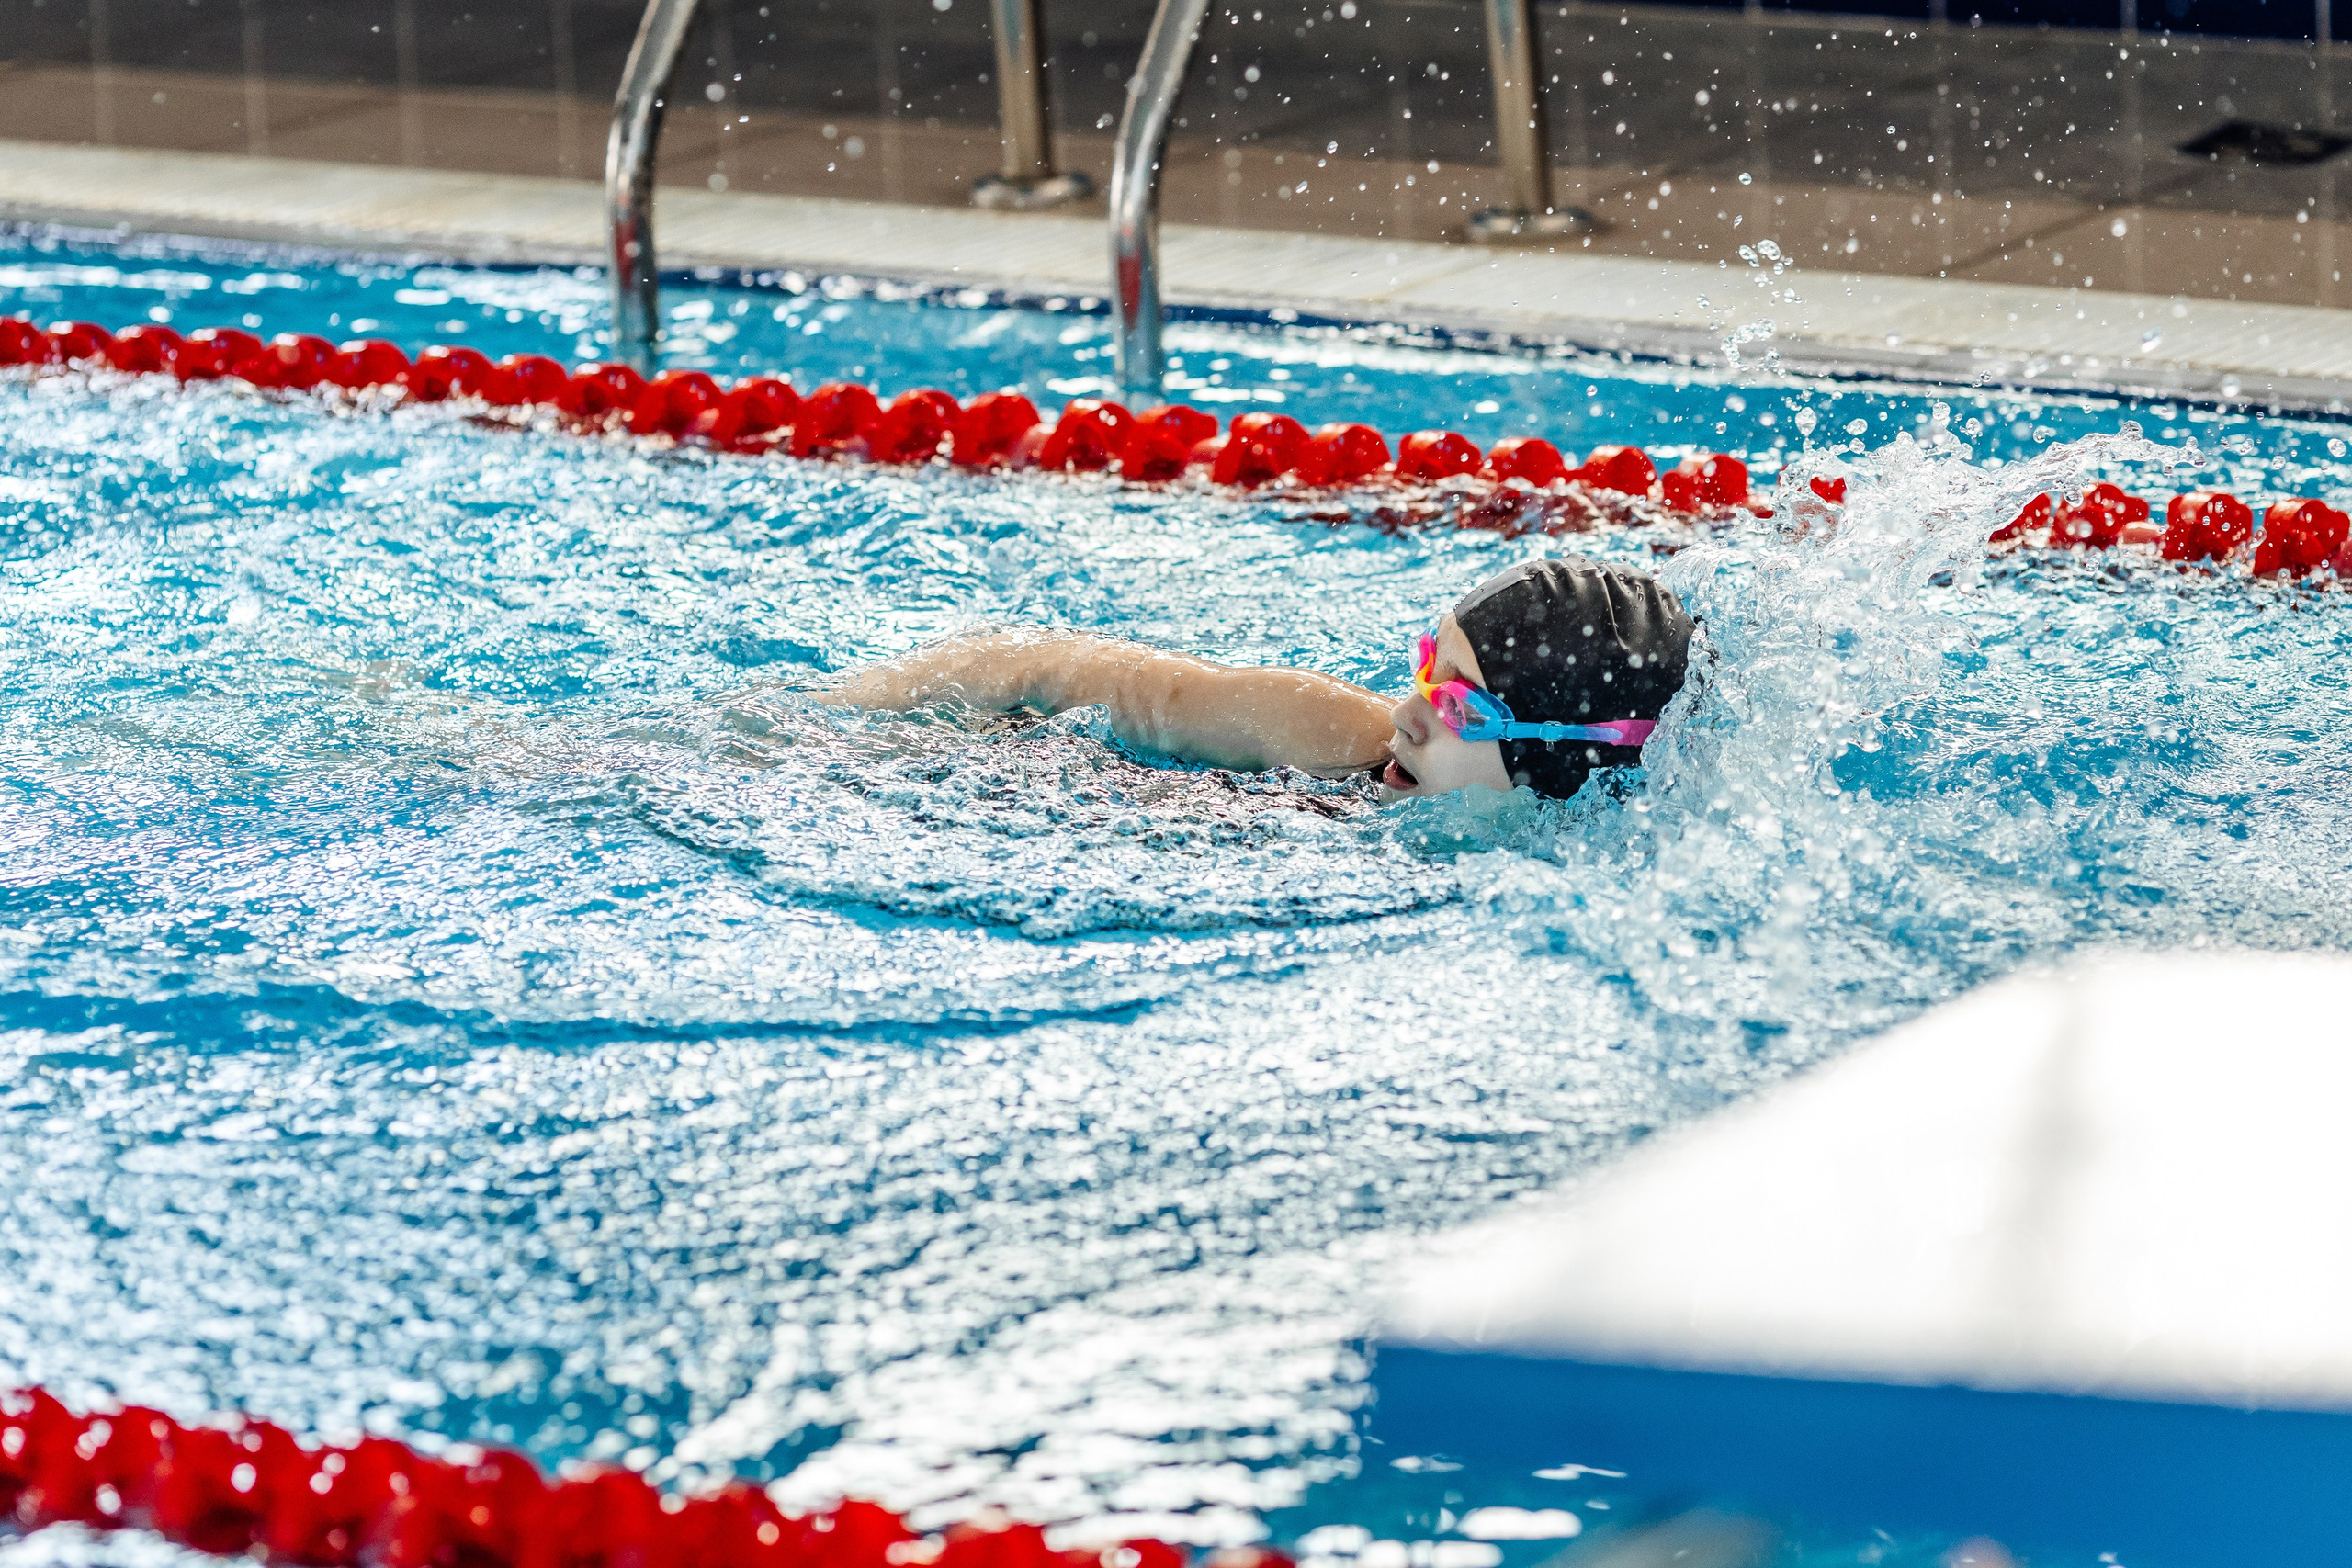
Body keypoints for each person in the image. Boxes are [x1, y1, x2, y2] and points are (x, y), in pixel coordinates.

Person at [820, 557, 1696, 802]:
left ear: (1567, 758)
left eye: (1459, 701)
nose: (1405, 713)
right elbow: (1055, 668)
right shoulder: (1323, 732)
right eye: (1428, 669)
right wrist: (816, 722)